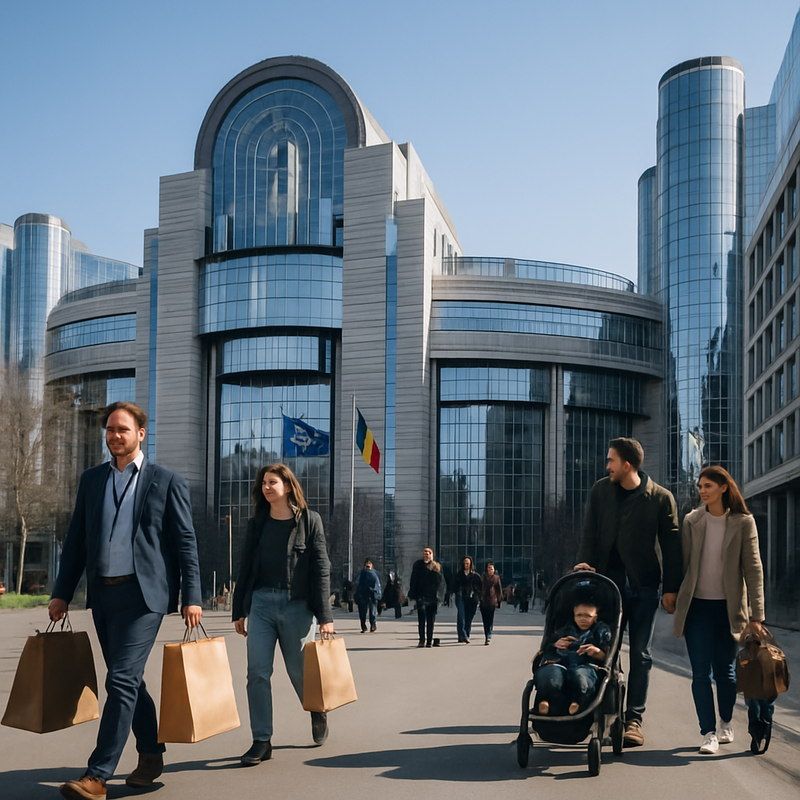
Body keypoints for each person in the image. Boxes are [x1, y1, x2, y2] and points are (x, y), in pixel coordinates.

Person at [49, 401, 202, 800]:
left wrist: (193, 596)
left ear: (141, 434)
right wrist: (62, 592)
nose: (115, 436)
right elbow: (77, 541)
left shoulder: (166, 481)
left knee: (119, 679)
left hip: (145, 596)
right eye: (110, 430)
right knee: (128, 679)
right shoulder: (92, 479)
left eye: (123, 429)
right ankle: (151, 753)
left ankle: (97, 775)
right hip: (104, 594)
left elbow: (186, 541)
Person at [574, 436, 681, 747]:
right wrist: (585, 567)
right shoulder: (600, 490)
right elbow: (589, 532)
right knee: (606, 651)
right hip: (607, 587)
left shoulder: (660, 498)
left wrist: (671, 589)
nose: (606, 465)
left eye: (611, 461)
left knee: (641, 654)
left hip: (645, 588)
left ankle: (633, 718)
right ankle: (603, 710)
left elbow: (673, 548)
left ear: (627, 465)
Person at [233, 463, 333, 766]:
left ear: (287, 486)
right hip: (262, 605)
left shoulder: (310, 521)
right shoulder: (257, 524)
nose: (266, 487)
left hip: (297, 606)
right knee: (257, 674)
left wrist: (325, 616)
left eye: (272, 482)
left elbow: (321, 568)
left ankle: (317, 709)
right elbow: (245, 567)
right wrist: (239, 609)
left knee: (299, 672)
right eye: (263, 482)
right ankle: (261, 740)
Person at [670, 465, 767, 754]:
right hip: (697, 608)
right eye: (700, 486)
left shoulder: (743, 522)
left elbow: (753, 569)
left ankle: (726, 722)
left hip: (729, 609)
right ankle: (708, 733)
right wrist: (670, 592)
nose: (702, 491)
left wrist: (757, 616)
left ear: (723, 487)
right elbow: (682, 562)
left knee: (725, 672)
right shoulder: (692, 521)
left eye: (708, 486)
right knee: (700, 673)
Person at [534, 598, 612, 715]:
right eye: (579, 615)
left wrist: (597, 653)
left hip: (586, 665)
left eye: (587, 616)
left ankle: (578, 702)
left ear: (595, 617)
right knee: (551, 675)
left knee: (580, 677)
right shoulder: (565, 630)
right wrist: (555, 645)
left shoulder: (601, 632)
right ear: (574, 616)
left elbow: (609, 658)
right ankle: (545, 701)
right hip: (559, 663)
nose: (583, 619)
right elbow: (546, 650)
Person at [408, 546, 444, 647]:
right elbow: (413, 579)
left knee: (430, 619)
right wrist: (412, 593)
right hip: (421, 595)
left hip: (433, 597)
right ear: (422, 554)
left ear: (432, 555)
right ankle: (421, 639)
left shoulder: (436, 566)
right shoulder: (418, 565)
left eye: (429, 553)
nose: (427, 554)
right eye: (425, 552)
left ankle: (429, 640)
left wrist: (435, 571)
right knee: (421, 618)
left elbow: (441, 582)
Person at [453, 556, 482, 643]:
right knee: (461, 616)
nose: (466, 565)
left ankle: (466, 634)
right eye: (464, 563)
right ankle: (463, 635)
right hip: (460, 596)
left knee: (469, 617)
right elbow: (454, 585)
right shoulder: (458, 575)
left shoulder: (475, 576)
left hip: (472, 598)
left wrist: (478, 597)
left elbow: (480, 588)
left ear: (471, 564)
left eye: (468, 563)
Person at [355, 558, 382, 632]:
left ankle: (372, 625)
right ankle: (364, 626)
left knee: (371, 611)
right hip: (366, 594)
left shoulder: (373, 573)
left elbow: (378, 584)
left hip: (370, 595)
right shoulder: (364, 573)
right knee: (364, 612)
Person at [479, 562, 503, 645]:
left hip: (492, 601)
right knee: (485, 620)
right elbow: (479, 588)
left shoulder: (496, 578)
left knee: (490, 619)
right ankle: (486, 634)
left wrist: (499, 600)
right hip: (483, 601)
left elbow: (499, 590)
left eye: (492, 569)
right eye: (489, 568)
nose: (490, 570)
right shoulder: (482, 578)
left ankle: (489, 634)